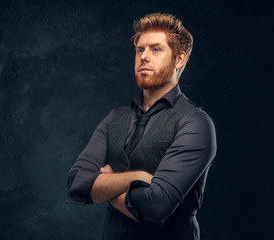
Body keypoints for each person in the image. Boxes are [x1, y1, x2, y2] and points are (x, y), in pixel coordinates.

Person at [67, 13, 217, 240]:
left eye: (156, 49)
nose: (144, 57)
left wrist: (104, 187)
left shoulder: (195, 123)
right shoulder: (114, 118)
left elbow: (155, 207)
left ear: (179, 59)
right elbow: (77, 183)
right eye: (140, 50)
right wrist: (135, 177)